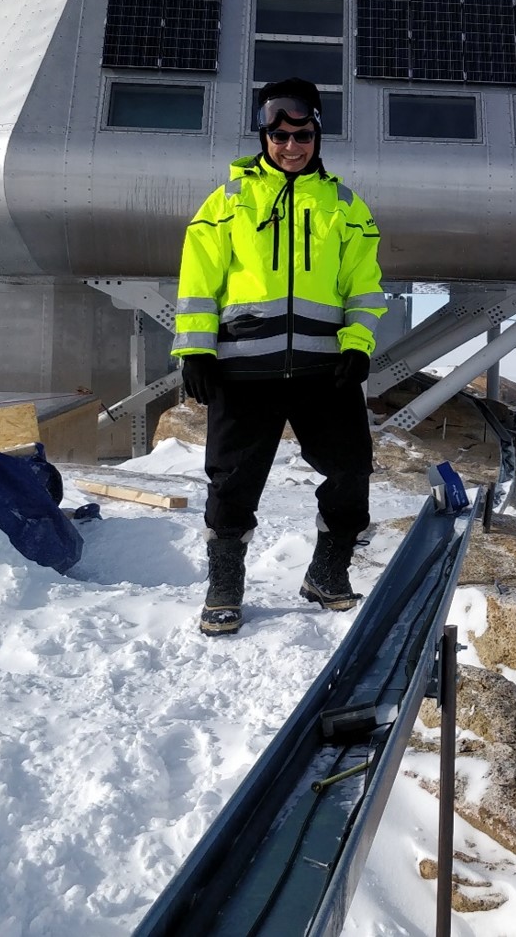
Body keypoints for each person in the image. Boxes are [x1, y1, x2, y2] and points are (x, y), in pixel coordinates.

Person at [171, 78, 387, 637]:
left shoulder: (344, 205)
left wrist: (358, 345)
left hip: (323, 371)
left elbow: (364, 288)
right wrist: (195, 348)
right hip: (243, 371)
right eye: (280, 134)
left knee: (350, 472)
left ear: (317, 133)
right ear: (263, 134)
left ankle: (327, 572)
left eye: (303, 134)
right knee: (232, 482)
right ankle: (224, 588)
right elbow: (199, 282)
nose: (292, 146)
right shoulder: (228, 202)